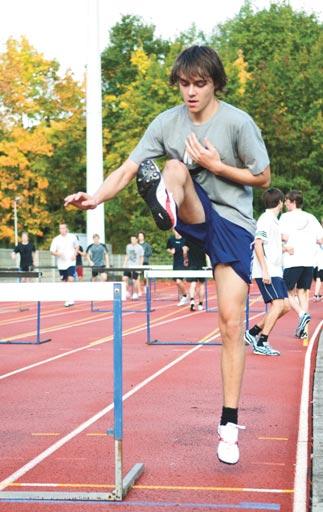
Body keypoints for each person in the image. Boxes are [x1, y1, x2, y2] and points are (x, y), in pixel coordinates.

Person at [64, 45, 271, 465]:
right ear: (177, 84)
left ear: (215, 84)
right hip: (194, 209)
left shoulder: (237, 122)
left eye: (200, 84)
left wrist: (216, 166)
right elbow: (127, 168)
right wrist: (96, 198)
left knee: (231, 323)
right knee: (173, 168)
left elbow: (263, 177)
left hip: (233, 223)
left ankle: (229, 423)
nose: (191, 92)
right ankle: (168, 207)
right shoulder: (167, 123)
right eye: (184, 84)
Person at [244, 188, 290, 356]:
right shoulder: (265, 219)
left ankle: (252, 332)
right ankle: (262, 341)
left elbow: (271, 245)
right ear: (279, 202)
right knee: (278, 304)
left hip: (276, 270)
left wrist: (285, 248)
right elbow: (258, 244)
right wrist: (265, 271)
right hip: (267, 270)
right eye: (283, 201)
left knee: (286, 306)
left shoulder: (274, 221)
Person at [279, 190, 323, 338]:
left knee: (286, 292)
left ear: (293, 202)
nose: (284, 203)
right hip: (309, 261)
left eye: (286, 201)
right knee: (303, 292)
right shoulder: (311, 217)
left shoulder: (285, 217)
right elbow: (321, 238)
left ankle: (302, 314)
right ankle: (304, 330)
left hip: (293, 260)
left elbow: (283, 236)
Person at [50, 223, 79, 307]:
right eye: (60, 228)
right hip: (61, 263)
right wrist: (57, 254)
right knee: (64, 281)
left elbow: (77, 246)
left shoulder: (72, 237)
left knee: (71, 279)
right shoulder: (56, 239)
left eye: (63, 228)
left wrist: (75, 254)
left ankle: (71, 299)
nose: (62, 230)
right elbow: (52, 251)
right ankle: (67, 298)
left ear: (66, 229)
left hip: (71, 262)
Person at [166, 229, 189, 306]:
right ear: (173, 230)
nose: (177, 232)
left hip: (183, 263)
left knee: (178, 281)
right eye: (175, 230)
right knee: (178, 282)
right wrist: (170, 251)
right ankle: (183, 297)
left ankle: (185, 296)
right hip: (175, 263)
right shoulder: (171, 239)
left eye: (178, 230)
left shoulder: (184, 239)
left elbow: (189, 249)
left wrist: (186, 252)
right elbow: (168, 248)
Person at [185, 239, 207, 311]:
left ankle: (192, 300)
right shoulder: (203, 238)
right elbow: (207, 253)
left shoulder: (188, 238)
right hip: (202, 264)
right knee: (202, 284)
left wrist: (185, 259)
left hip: (192, 264)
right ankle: (200, 304)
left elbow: (184, 250)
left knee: (193, 283)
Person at [123, 235, 144, 299]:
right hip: (129, 265)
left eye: (133, 239)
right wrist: (124, 263)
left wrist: (140, 266)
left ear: (136, 240)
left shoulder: (140, 247)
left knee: (134, 281)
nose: (132, 241)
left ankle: (135, 293)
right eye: (131, 239)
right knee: (124, 278)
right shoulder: (128, 246)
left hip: (136, 266)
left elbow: (141, 257)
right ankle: (126, 292)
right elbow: (127, 255)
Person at [313, 217, 323, 302]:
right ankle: (316, 295)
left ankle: (316, 294)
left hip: (319, 259)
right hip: (320, 259)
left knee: (319, 277)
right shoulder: (319, 231)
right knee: (320, 276)